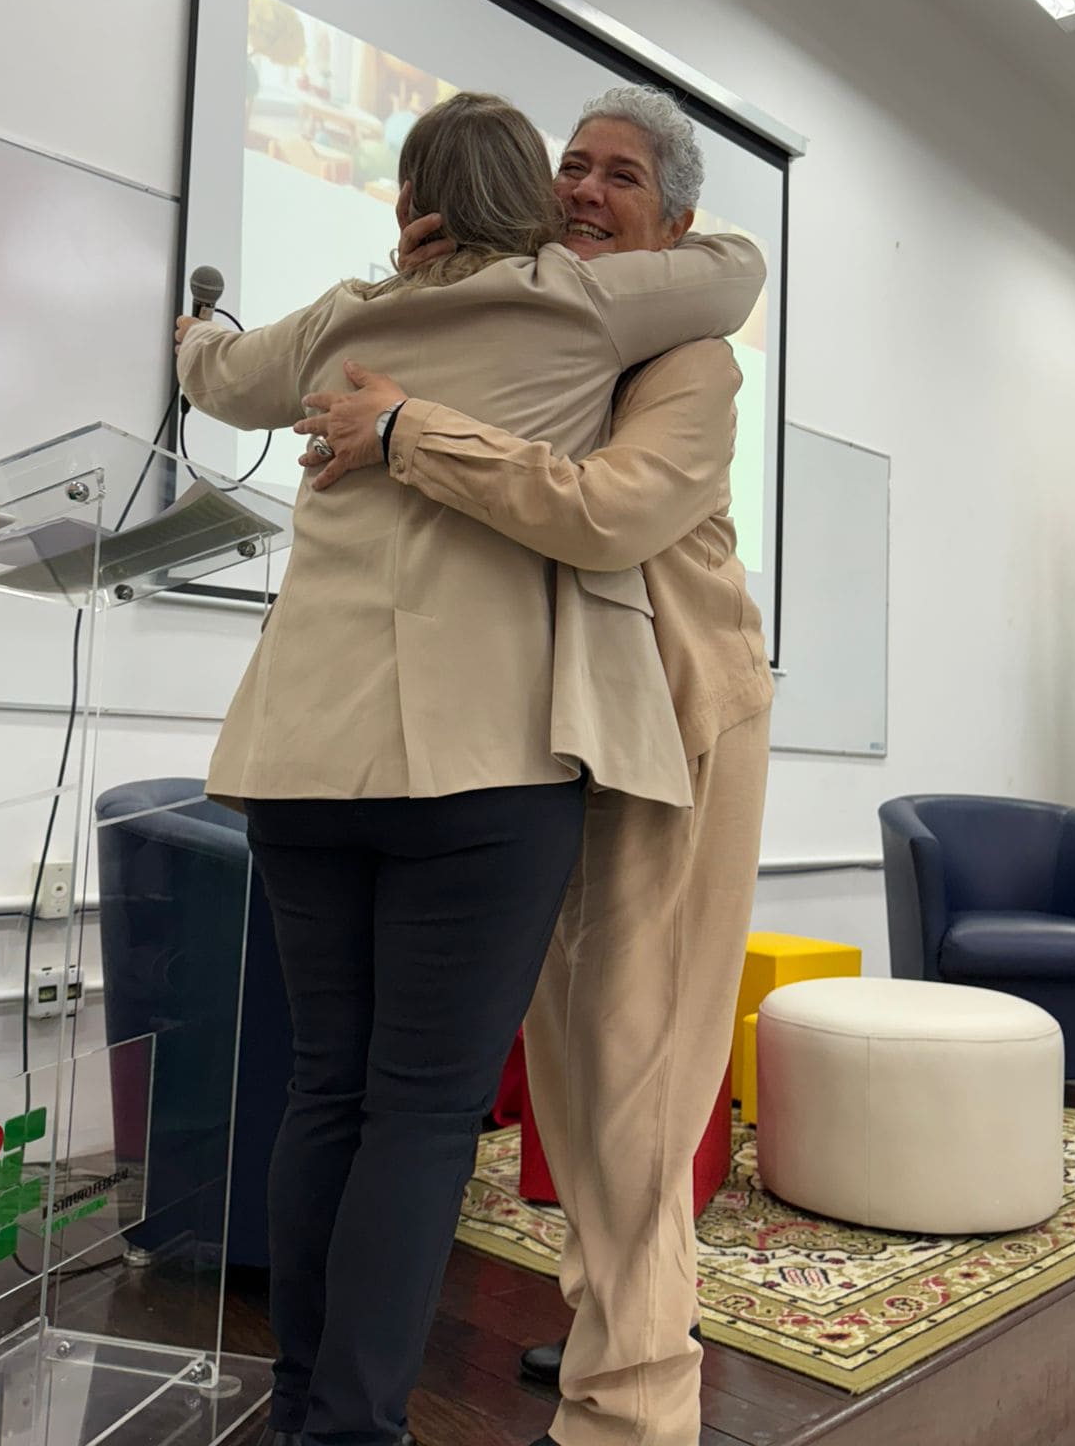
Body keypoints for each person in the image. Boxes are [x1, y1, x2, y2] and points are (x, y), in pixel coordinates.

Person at [174, 90, 764, 1446]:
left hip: (336, 760)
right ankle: (354, 1424)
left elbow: (217, 376)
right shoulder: (579, 308)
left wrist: (312, 327)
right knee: (423, 1111)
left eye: (620, 177)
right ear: (532, 197)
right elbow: (740, 268)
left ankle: (322, 1401)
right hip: (488, 767)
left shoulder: (350, 320)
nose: (587, 192)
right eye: (571, 168)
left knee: (359, 1087)